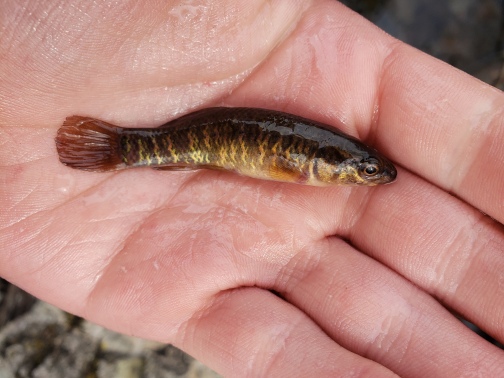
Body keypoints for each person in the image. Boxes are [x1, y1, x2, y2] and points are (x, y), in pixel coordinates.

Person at [1, 1, 503, 376]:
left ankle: (128, 149)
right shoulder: (302, 165)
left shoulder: (318, 158)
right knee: (147, 146)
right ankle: (123, 149)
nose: (371, 178)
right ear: (326, 162)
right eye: (364, 171)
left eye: (367, 172)